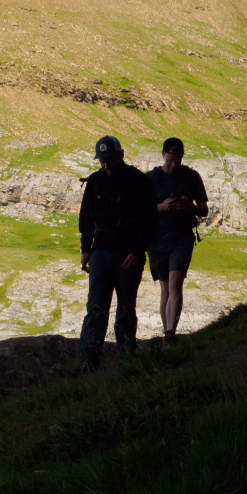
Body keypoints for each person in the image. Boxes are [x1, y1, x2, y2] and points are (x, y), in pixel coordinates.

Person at [77, 134, 157, 369]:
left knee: (125, 308)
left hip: (128, 257)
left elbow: (149, 220)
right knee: (96, 308)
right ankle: (88, 363)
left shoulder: (139, 182)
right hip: (100, 254)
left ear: (121, 155)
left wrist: (137, 250)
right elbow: (86, 218)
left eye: (109, 159)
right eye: (101, 160)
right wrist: (85, 248)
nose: (106, 165)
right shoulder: (94, 182)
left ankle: (126, 361)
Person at [146, 136, 208, 340]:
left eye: (177, 160)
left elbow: (204, 210)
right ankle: (167, 333)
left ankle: (170, 333)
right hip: (156, 240)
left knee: (175, 283)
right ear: (163, 155)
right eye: (170, 160)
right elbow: (138, 212)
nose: (173, 165)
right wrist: (161, 207)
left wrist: (188, 206)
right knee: (165, 288)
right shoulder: (151, 179)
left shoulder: (191, 177)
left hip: (182, 237)